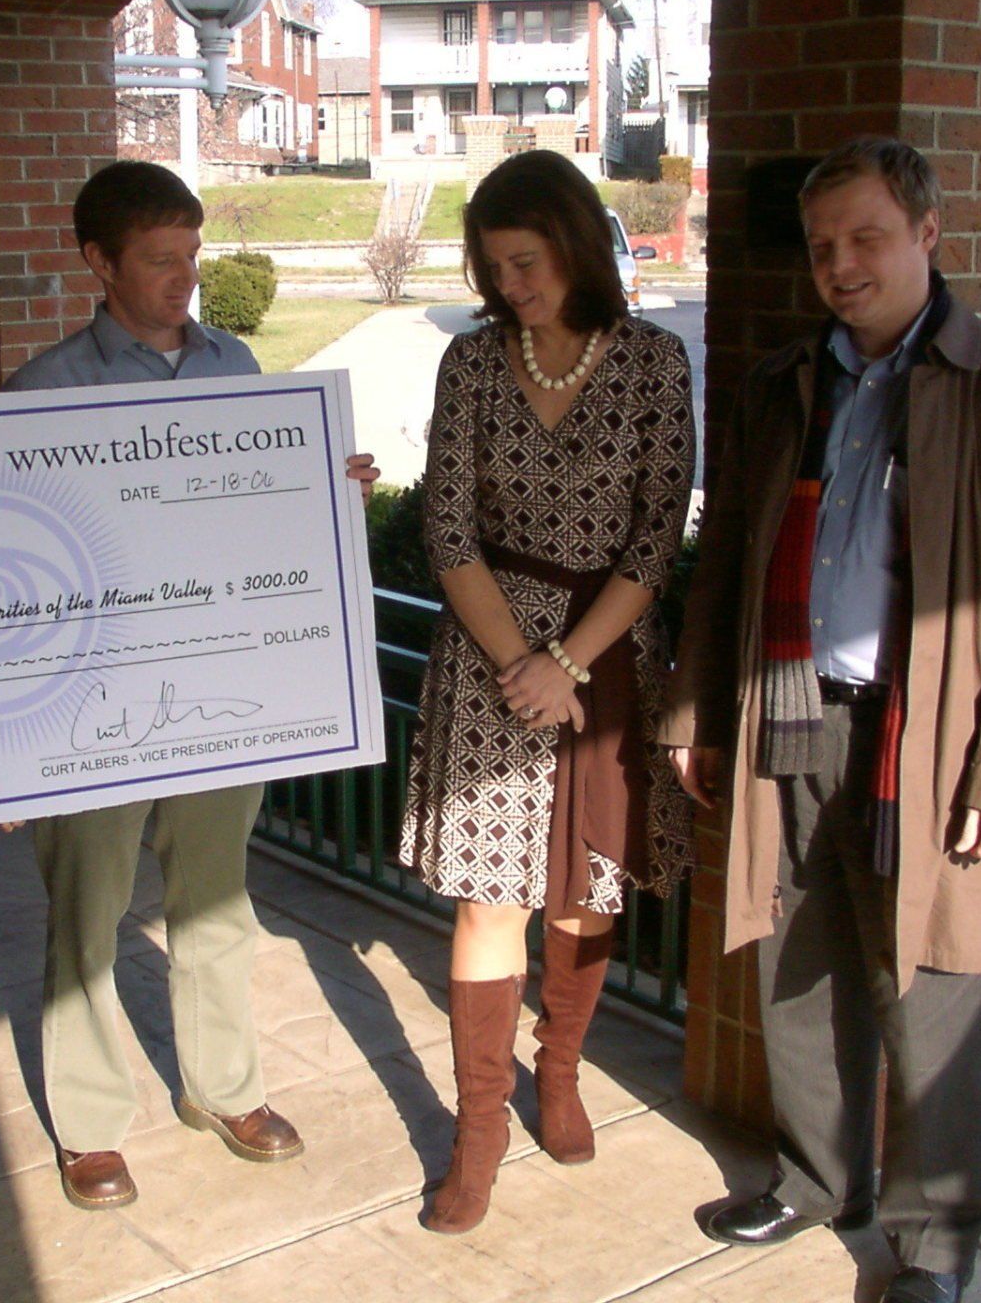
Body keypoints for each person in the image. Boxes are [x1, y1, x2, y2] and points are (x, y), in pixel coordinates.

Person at [658, 137, 981, 1303]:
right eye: (821, 247)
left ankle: (934, 1244)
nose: (841, 266)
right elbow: (726, 571)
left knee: (936, 990)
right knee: (798, 965)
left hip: (934, 743)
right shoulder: (780, 386)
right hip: (791, 716)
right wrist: (698, 711)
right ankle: (813, 1178)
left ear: (928, 234)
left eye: (866, 239)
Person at [3, 160, 379, 1211]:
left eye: (192, 257)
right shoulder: (43, 392)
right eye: (160, 261)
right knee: (89, 913)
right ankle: (87, 1126)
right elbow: (15, 568)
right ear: (100, 263)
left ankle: (225, 1090)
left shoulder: (238, 363)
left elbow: (251, 513)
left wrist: (321, 486)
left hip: (221, 694)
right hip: (93, 705)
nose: (184, 280)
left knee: (217, 901)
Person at [399, 147, 695, 1235]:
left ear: (573, 245)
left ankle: (558, 1071)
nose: (508, 286)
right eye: (493, 268)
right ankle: (477, 1136)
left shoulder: (656, 363)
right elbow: (447, 528)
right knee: (493, 897)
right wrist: (518, 662)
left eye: (524, 263)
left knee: (585, 886)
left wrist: (566, 663)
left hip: (606, 653)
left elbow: (656, 537)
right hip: (488, 662)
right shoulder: (472, 366)